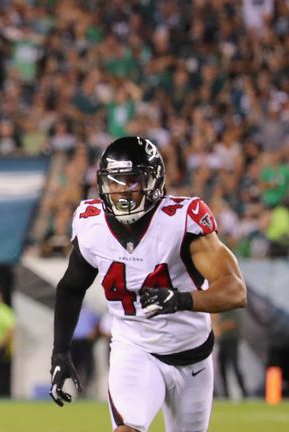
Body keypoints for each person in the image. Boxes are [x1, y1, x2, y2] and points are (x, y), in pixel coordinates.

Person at [49, 137, 247, 432]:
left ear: (153, 181)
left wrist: (181, 300)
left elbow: (235, 290)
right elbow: (70, 287)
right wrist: (60, 351)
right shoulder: (91, 224)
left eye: (131, 181)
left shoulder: (181, 220)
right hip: (134, 349)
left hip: (192, 355)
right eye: (114, 182)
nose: (122, 191)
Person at [212, 310, 248, 399]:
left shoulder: (233, 310)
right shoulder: (220, 311)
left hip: (232, 341)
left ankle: (244, 393)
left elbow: (233, 323)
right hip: (222, 341)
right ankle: (225, 394)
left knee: (235, 366)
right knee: (222, 368)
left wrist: (219, 328)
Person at [70, 304, 101, 396]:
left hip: (86, 342)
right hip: (73, 342)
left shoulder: (89, 312)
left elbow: (98, 324)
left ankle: (86, 388)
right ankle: (77, 389)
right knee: (74, 367)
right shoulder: (70, 311)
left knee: (88, 366)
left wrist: (94, 332)